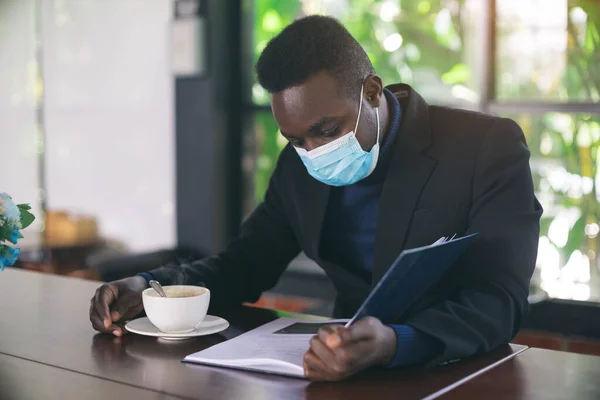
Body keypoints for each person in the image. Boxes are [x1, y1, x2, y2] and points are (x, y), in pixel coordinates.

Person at [90, 15, 542, 381]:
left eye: (326, 130)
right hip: (341, 373)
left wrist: (396, 341)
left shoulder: (484, 147)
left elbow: (498, 299)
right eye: (295, 139)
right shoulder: (299, 167)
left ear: (371, 91)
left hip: (462, 374)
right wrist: (152, 286)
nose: (314, 151)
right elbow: (244, 266)